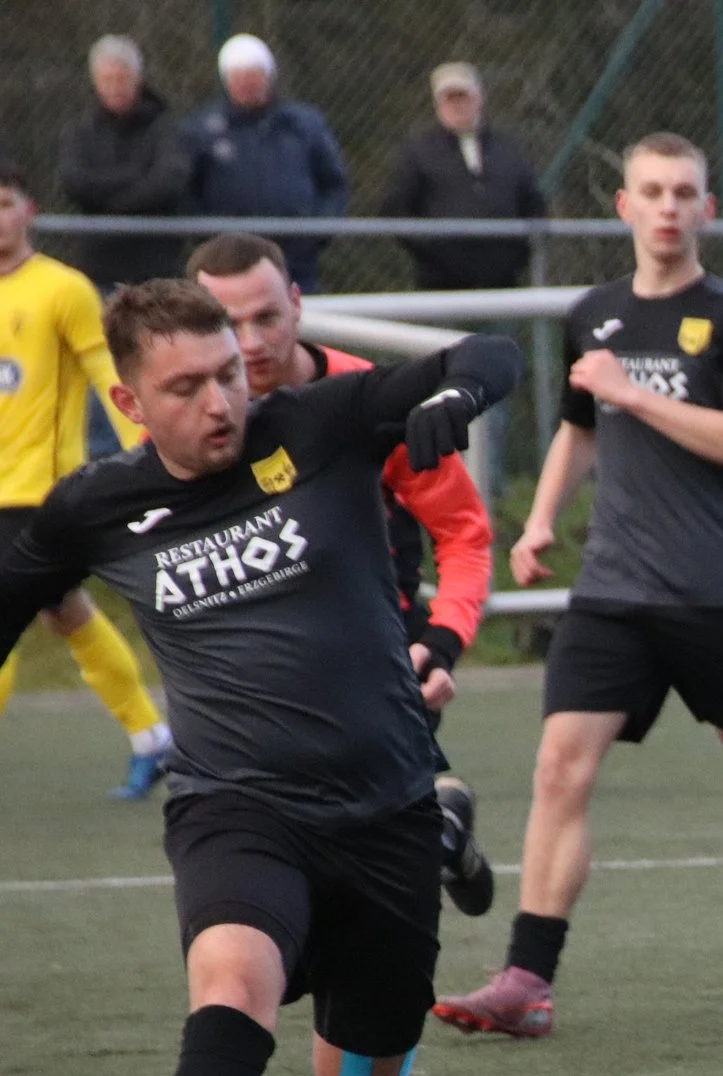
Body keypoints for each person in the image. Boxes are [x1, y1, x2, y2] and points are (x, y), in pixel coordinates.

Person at [0, 277, 521, 1076]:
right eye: (186, 386)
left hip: (386, 812)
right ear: (130, 403)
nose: (220, 401)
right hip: (237, 810)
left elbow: (490, 348)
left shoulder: (319, 424)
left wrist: (457, 397)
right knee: (230, 987)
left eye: (229, 373)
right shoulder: (94, 507)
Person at [432, 134, 723, 1038]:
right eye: (653, 192)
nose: (668, 207)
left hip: (717, 591)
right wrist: (541, 519)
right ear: (624, 206)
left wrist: (634, 392)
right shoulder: (594, 313)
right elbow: (581, 426)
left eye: (684, 193)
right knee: (559, 767)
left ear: (708, 209)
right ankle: (527, 980)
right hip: (613, 591)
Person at [187, 231, 497, 918]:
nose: (252, 342)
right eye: (229, 324)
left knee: (366, 877)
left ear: (298, 304)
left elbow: (464, 532)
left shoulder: (371, 401)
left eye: (267, 316)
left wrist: (443, 641)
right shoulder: (184, 423)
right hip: (255, 677)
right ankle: (443, 823)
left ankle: (435, 830)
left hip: (379, 657)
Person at [0, 164, 173, 798]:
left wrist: (148, 452)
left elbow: (108, 375)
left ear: (29, 211)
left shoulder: (63, 289)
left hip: (38, 491)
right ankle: (151, 736)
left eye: (5, 203)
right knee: (67, 615)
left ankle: (152, 735)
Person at [181, 34, 349, 294]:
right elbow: (186, 191)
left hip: (297, 261)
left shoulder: (303, 125)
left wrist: (315, 233)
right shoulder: (202, 131)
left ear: (268, 76)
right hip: (227, 263)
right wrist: (209, 239)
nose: (247, 83)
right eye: (238, 76)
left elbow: (333, 184)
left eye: (254, 74)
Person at [377, 62, 547, 293]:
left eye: (463, 96)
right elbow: (396, 209)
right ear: (438, 103)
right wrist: (432, 253)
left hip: (502, 280)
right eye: (449, 98)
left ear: (478, 98)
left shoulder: (507, 148)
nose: (457, 105)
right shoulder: (417, 152)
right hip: (440, 283)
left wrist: (517, 255)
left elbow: (533, 203)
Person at [56, 35, 188, 294]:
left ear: (137, 78)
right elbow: (74, 182)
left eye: (122, 78)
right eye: (107, 79)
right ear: (95, 81)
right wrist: (135, 176)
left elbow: (167, 182)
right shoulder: (81, 130)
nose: (115, 87)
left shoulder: (164, 126)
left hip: (156, 265)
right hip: (97, 266)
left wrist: (110, 206)